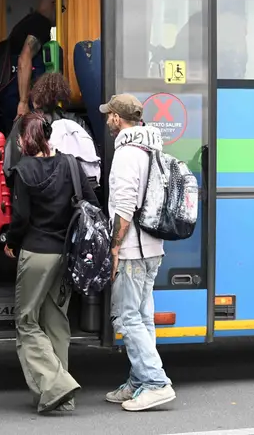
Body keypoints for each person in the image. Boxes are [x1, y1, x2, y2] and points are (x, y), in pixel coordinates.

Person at [4, 112, 98, 413]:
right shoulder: (70, 163)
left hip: (37, 252)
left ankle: (57, 385)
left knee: (26, 320)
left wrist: (11, 243)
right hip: (66, 253)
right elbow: (92, 205)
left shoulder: (23, 170)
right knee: (56, 319)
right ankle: (63, 399)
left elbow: (21, 219)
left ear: (23, 139)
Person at [99, 94, 176, 412]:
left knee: (127, 317)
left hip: (133, 249)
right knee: (142, 317)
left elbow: (125, 205)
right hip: (153, 247)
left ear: (118, 118)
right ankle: (139, 381)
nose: (106, 120)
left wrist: (114, 247)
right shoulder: (154, 148)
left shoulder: (128, 154)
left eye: (109, 115)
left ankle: (156, 383)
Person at [3, 72, 97, 189]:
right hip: (73, 192)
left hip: (35, 192)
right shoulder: (77, 121)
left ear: (35, 97)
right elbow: (92, 160)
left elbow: (9, 166)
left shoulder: (26, 122)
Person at [0, 0, 63, 128]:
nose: (61, 14)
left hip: (11, 93)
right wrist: (23, 102)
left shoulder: (27, 22)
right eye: (62, 8)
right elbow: (24, 59)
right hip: (18, 97)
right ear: (54, 4)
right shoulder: (40, 24)